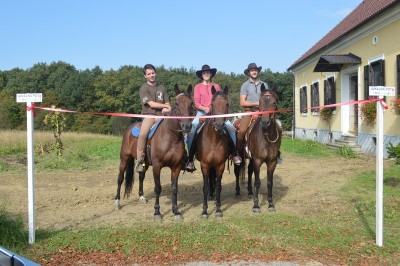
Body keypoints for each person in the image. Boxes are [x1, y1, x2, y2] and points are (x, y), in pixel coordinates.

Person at [185, 64, 242, 172]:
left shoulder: (216, 86)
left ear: (211, 74)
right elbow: (196, 102)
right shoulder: (198, 87)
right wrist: (205, 108)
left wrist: (214, 110)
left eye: (208, 72)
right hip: (202, 113)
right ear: (202, 75)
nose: (206, 74)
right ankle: (190, 159)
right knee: (192, 130)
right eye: (204, 73)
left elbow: (220, 100)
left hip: (216, 113)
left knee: (230, 128)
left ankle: (234, 154)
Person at [236, 63, 283, 164]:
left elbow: (269, 99)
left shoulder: (264, 84)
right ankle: (237, 153)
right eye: (252, 70)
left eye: (255, 70)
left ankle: (276, 153)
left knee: (278, 127)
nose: (254, 72)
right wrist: (256, 103)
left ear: (258, 71)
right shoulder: (245, 85)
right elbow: (242, 102)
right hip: (249, 111)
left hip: (264, 112)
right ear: (249, 73)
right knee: (242, 130)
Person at [136, 64, 171, 172]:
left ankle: (182, 156)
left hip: (162, 116)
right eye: (149, 74)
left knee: (176, 129)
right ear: (145, 76)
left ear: (155, 73)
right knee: (142, 134)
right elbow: (151, 104)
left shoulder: (162, 88)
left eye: (153, 73)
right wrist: (165, 106)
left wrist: (168, 108)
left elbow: (168, 103)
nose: (151, 75)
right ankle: (140, 161)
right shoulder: (143, 88)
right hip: (149, 116)